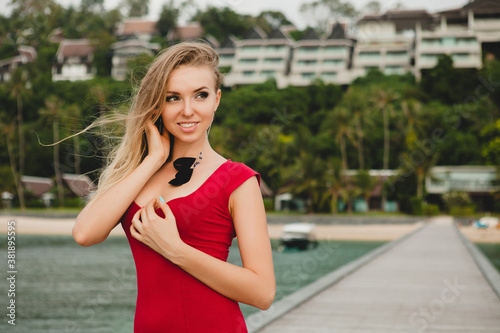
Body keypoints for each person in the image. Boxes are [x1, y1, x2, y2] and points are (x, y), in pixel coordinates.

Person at [72, 41, 275, 332]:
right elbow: (85, 233)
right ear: (157, 104)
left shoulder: (236, 180)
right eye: (173, 98)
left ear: (216, 100)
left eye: (200, 95)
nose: (188, 110)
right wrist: (154, 158)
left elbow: (263, 293)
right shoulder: (138, 173)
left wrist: (175, 249)